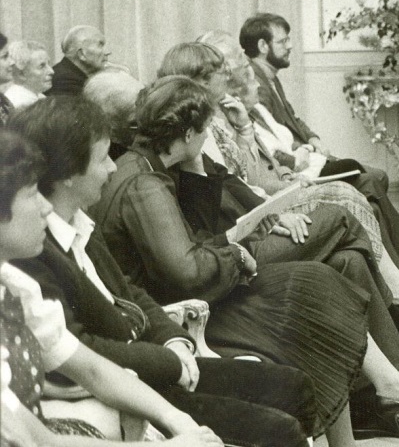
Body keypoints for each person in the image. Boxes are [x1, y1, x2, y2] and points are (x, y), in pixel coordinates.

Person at [90, 76, 399, 442]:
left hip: (200, 288)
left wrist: (236, 240)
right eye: (204, 130)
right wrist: (236, 253)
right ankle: (378, 392)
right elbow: (187, 272)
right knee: (319, 286)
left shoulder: (149, 170)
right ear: (186, 135)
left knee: (326, 276)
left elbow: (191, 245)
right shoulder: (145, 184)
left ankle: (369, 409)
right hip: (187, 308)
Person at [8, 99, 313, 447]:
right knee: (278, 429)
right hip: (135, 376)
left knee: (294, 386)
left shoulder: (78, 221)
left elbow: (128, 293)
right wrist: (170, 362)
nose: (112, 168)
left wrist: (175, 342)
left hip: (150, 366)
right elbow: (84, 354)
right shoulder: (31, 253)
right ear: (67, 174)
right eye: (104, 157)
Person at [0, 129, 223, 446]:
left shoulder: (15, 286)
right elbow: (40, 441)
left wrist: (177, 419)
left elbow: (91, 369)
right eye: (31, 193)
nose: (45, 207)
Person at [239, 13, 399, 296]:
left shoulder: (268, 79)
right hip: (297, 174)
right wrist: (299, 155)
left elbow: (291, 120)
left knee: (372, 179)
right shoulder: (254, 85)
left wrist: (312, 137)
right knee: (372, 178)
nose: (290, 45)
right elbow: (271, 145)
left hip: (304, 164)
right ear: (264, 46)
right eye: (283, 40)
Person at [47, 26, 111, 97]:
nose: (108, 52)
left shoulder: (71, 75)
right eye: (100, 45)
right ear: (82, 54)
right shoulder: (65, 82)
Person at [2, 40, 53, 112]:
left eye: (48, 64)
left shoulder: (37, 96)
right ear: (21, 74)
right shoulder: (20, 104)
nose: (52, 71)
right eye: (42, 66)